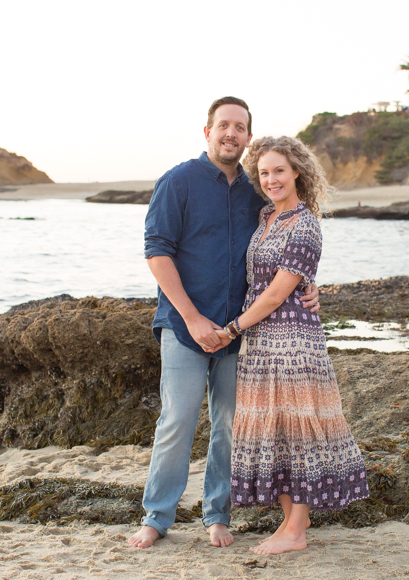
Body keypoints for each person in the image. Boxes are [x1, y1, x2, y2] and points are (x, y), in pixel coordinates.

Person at [130, 98, 319, 549]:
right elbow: (157, 251)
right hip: (184, 327)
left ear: (248, 137)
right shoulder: (179, 181)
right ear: (207, 131)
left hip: (242, 332)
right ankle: (156, 517)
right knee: (176, 420)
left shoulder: (258, 190)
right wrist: (192, 319)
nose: (231, 133)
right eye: (223, 125)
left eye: (240, 127)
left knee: (230, 424)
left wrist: (311, 284)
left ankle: (218, 515)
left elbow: (287, 244)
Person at [216, 136, 369, 555]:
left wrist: (230, 330)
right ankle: (288, 525)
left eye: (279, 170)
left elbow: (275, 293)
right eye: (264, 173)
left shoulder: (305, 223)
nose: (271, 179)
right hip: (263, 342)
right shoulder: (266, 216)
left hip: (293, 343)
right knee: (275, 429)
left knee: (300, 430)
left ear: (297, 171)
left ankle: (297, 530)